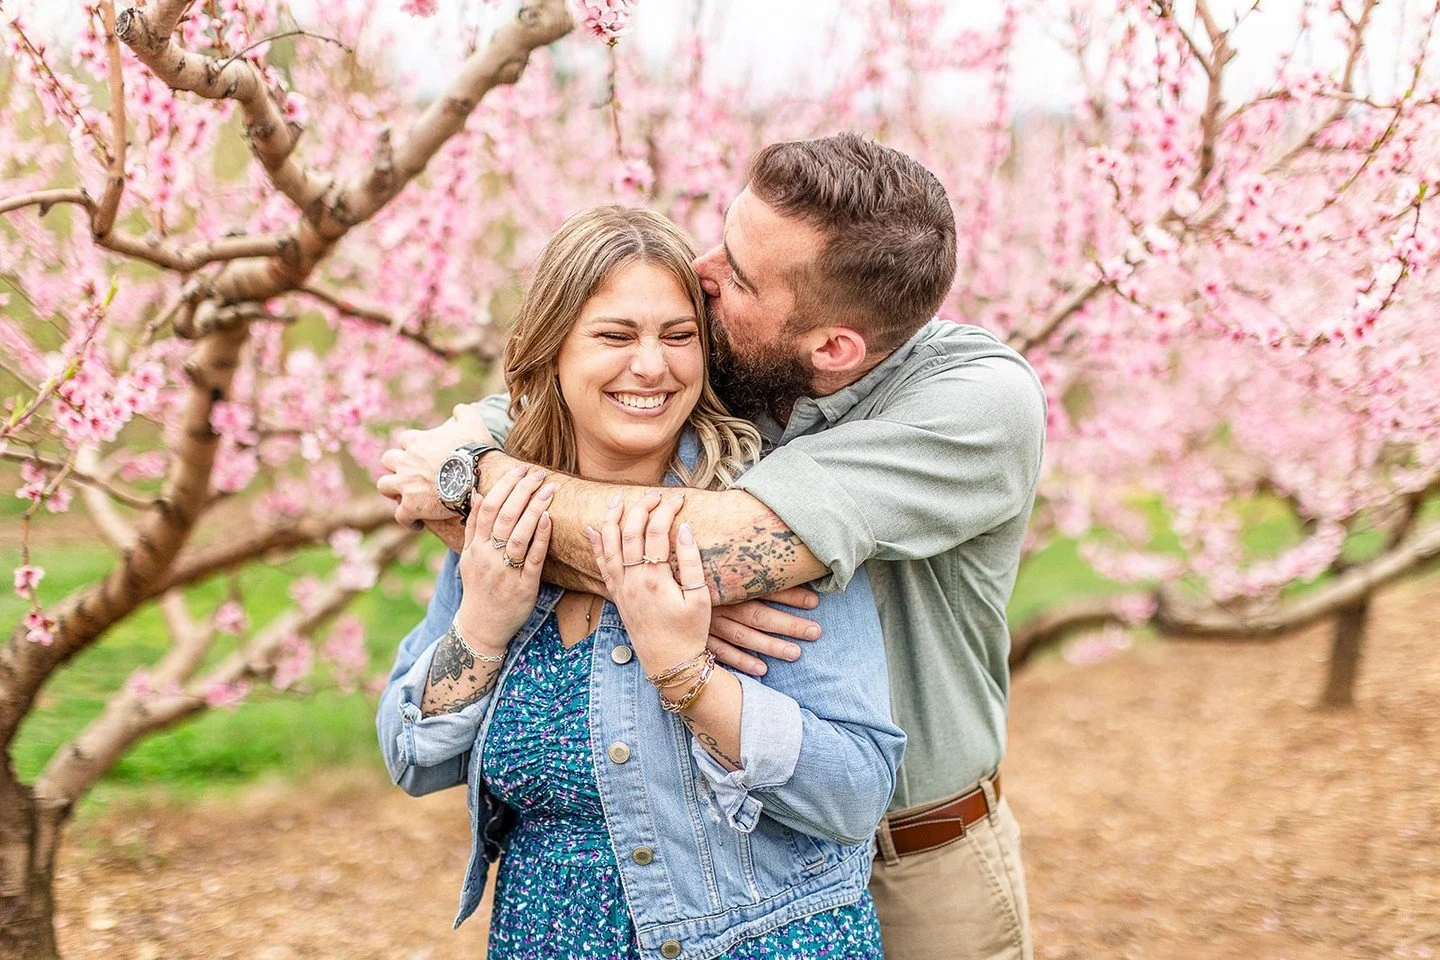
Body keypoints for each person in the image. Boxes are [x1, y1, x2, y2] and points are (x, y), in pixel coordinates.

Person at [380, 134, 1047, 960]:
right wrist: (472, 476)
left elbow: (718, 552)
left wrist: (482, 494)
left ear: (831, 347)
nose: (703, 273)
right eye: (723, 241)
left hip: (918, 853)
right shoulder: (730, 356)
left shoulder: (977, 404)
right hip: (694, 866)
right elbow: (529, 412)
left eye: (738, 274)